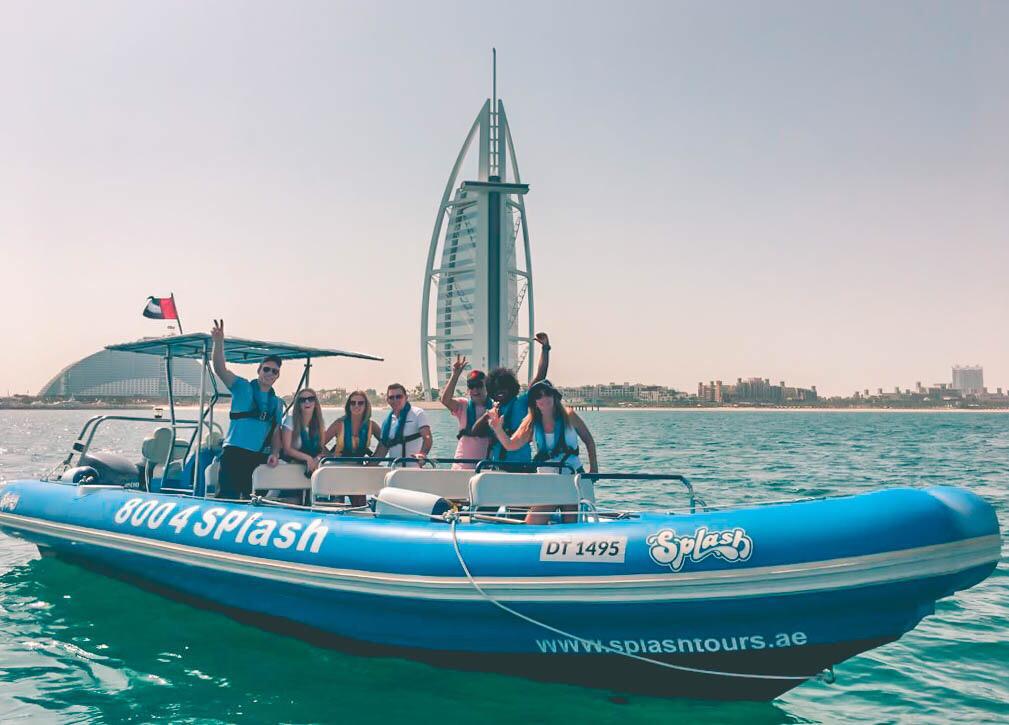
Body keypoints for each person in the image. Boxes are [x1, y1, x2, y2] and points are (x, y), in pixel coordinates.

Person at [487, 379, 598, 524]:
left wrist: (593, 468)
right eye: (538, 396)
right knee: (531, 524)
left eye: (547, 394)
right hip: (546, 483)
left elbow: (589, 441)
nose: (543, 398)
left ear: (554, 396)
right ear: (534, 401)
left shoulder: (569, 415)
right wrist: (498, 429)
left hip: (571, 479)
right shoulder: (531, 422)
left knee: (571, 524)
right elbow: (510, 445)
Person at [211, 319, 283, 499]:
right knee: (228, 498)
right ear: (259, 370)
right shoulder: (242, 387)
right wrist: (218, 342)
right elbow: (220, 369)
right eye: (266, 369)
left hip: (256, 457)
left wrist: (275, 453)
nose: (270, 374)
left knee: (252, 500)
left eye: (274, 371)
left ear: (278, 376)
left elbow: (275, 433)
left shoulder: (277, 403)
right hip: (234, 453)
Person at [471, 332, 551, 467]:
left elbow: (540, 377)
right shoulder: (493, 410)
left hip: (521, 466)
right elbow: (475, 432)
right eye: (496, 390)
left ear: (511, 388)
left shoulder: (522, 401)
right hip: (498, 467)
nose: (500, 392)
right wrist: (487, 416)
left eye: (503, 388)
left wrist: (545, 349)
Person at [439, 355, 491, 469]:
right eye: (471, 386)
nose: (475, 390)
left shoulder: (494, 408)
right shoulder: (463, 405)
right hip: (461, 466)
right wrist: (455, 375)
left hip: (484, 468)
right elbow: (445, 400)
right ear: (468, 389)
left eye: (479, 385)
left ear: (486, 386)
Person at [372, 384, 432, 466]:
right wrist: (367, 467)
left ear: (406, 398)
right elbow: (382, 450)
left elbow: (427, 437)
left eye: (398, 396)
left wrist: (422, 454)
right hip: (394, 472)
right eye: (391, 397)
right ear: (387, 400)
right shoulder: (386, 423)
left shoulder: (418, 413)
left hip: (414, 471)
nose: (395, 400)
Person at [324, 390, 381, 460]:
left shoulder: (372, 426)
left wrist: (373, 462)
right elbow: (319, 445)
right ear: (349, 405)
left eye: (360, 403)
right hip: (338, 466)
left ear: (366, 406)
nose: (356, 405)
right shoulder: (338, 424)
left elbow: (384, 443)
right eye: (353, 403)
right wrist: (330, 458)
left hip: (360, 466)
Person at [281, 387, 326, 473]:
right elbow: (287, 449)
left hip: (313, 468)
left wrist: (317, 459)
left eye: (311, 399)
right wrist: (308, 458)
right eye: (302, 400)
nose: (307, 402)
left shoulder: (320, 423)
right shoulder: (290, 421)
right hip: (291, 468)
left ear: (316, 403)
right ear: (298, 404)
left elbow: (321, 449)